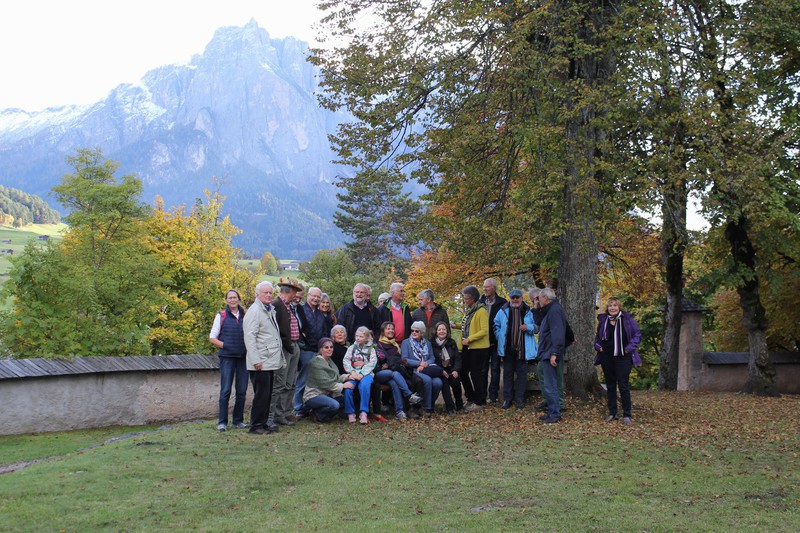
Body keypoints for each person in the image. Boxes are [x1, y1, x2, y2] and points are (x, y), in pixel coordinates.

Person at [243, 281, 284, 435]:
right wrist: (256, 360)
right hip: (260, 361)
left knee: (267, 394)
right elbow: (250, 337)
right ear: (257, 294)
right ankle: (256, 425)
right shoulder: (255, 311)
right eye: (265, 292)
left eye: (270, 293)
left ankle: (264, 422)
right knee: (261, 395)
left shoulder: (268, 309)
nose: (268, 295)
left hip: (269, 360)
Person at [593, 297, 642, 425]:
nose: (612, 308)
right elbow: (598, 337)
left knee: (623, 385)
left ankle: (627, 414)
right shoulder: (603, 320)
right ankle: (612, 412)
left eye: (615, 305)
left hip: (623, 357)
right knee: (610, 385)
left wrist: (628, 348)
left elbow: (637, 335)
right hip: (607, 356)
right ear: (607, 308)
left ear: (619, 307)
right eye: (610, 306)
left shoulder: (627, 320)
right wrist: (598, 346)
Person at [209, 289, 249, 431]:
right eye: (230, 298)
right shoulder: (221, 316)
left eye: (235, 297)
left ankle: (238, 421)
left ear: (239, 299)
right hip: (227, 358)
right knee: (225, 390)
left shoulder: (245, 316)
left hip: (243, 358)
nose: (232, 300)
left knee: (242, 391)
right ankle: (222, 422)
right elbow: (212, 338)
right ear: (226, 300)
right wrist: (226, 346)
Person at [270, 276, 305, 429]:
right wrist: (287, 345)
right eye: (295, 292)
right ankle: (276, 415)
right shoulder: (276, 305)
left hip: (293, 345)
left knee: (290, 382)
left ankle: (285, 412)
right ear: (289, 291)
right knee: (280, 382)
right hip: (285, 347)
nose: (296, 295)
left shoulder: (288, 306)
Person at [494, 289, 538, 410]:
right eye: (512, 297)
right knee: (507, 374)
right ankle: (507, 399)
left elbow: (537, 327)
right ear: (510, 298)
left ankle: (519, 399)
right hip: (507, 349)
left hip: (523, 349)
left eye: (517, 297)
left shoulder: (529, 311)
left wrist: (528, 327)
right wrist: (499, 336)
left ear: (521, 298)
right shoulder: (503, 311)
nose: (515, 300)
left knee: (522, 375)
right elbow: (495, 325)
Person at [294, 287, 334, 418]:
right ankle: (298, 408)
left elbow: (324, 332)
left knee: (316, 380)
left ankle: (310, 407)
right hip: (305, 349)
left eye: (318, 297)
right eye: (313, 296)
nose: (316, 299)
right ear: (308, 295)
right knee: (303, 379)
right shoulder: (301, 310)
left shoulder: (319, 314)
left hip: (317, 351)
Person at [375, 321, 419, 420]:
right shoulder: (377, 344)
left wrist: (392, 364)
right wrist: (384, 365)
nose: (391, 331)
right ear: (383, 331)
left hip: (393, 374)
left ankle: (399, 412)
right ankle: (409, 395)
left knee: (394, 382)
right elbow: (377, 360)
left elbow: (398, 361)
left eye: (392, 329)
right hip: (380, 373)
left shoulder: (395, 345)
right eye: (388, 329)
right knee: (394, 373)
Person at [530, 287, 566, 412]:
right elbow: (539, 322)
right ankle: (549, 402)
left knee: (555, 378)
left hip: (552, 349)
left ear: (545, 297)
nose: (537, 301)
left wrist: (555, 352)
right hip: (546, 349)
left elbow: (559, 330)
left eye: (538, 298)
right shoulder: (547, 310)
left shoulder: (554, 310)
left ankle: (557, 405)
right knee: (543, 374)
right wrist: (536, 308)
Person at [303, 338, 355, 422]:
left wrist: (348, 376)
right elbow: (326, 383)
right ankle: (317, 415)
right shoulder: (316, 363)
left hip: (326, 394)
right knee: (335, 405)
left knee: (345, 401)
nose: (329, 349)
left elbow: (335, 377)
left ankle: (317, 410)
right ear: (320, 349)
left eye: (331, 347)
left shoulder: (329, 361)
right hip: (313, 395)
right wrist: (343, 386)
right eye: (326, 347)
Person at [401, 321, 443, 418]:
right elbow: (404, 359)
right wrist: (419, 363)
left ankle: (431, 404)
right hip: (413, 369)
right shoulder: (406, 343)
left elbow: (432, 358)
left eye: (417, 331)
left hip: (426, 368)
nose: (414, 332)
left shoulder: (427, 343)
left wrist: (425, 364)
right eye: (412, 330)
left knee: (438, 382)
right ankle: (426, 407)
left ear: (422, 333)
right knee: (427, 380)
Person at [460, 285, 490, 411]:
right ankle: (471, 397)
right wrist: (457, 325)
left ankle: (479, 401)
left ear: (473, 298)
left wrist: (470, 339)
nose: (465, 301)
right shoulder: (470, 311)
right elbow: (470, 327)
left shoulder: (481, 310)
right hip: (468, 347)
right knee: (463, 372)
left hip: (479, 348)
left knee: (475, 374)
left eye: (466, 298)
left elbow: (484, 330)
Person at [343, 326, 378, 424]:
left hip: (366, 373)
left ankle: (364, 412)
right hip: (354, 373)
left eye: (361, 336)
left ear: (366, 338)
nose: (358, 338)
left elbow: (372, 363)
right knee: (348, 387)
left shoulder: (371, 349)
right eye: (357, 336)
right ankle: (350, 412)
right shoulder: (352, 348)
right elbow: (346, 360)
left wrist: (362, 373)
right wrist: (352, 372)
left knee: (365, 386)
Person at [480, 278, 507, 404]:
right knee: (483, 369)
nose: (485, 289)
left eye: (487, 287)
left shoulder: (502, 303)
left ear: (494, 288)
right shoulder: (480, 302)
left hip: (496, 341)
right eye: (484, 287)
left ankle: (493, 395)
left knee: (495, 368)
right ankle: (482, 394)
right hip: (482, 341)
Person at [430, 321, 463, 416]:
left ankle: (459, 405)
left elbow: (457, 358)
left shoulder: (451, 342)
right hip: (439, 370)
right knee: (445, 384)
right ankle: (450, 408)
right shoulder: (431, 343)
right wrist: (440, 371)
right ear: (436, 331)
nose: (442, 331)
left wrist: (455, 370)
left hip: (451, 369)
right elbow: (431, 359)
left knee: (456, 383)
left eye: (443, 329)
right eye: (439, 329)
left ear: (447, 331)